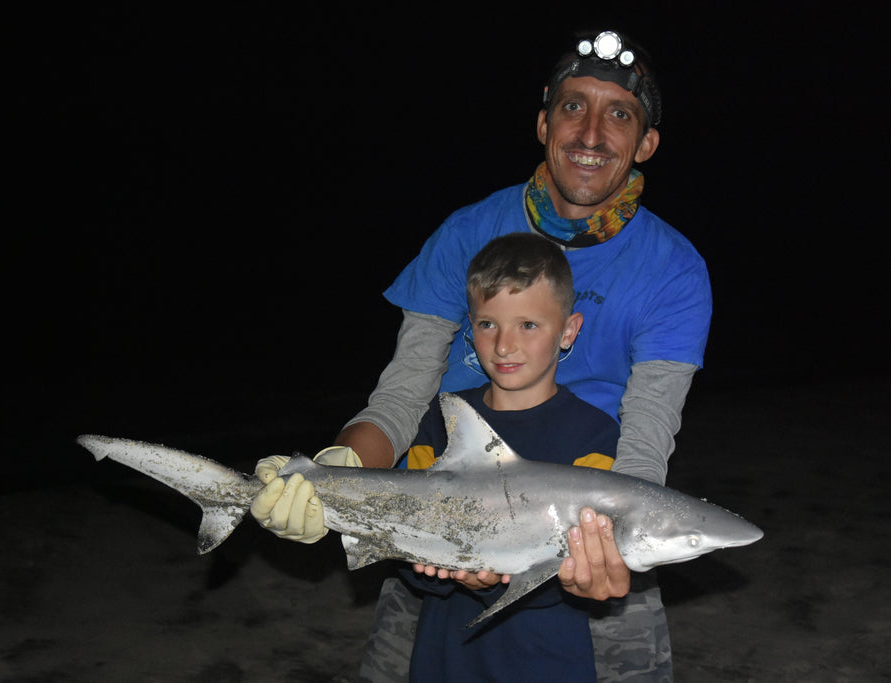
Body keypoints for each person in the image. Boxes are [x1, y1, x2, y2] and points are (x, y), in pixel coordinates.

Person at [252, 27, 711, 681]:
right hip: (443, 509)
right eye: (573, 106)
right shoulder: (466, 232)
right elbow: (406, 389)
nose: (590, 134)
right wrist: (339, 468)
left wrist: (608, 542)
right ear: (543, 120)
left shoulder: (675, 270)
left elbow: (648, 433)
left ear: (645, 144)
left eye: (619, 115)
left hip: (585, 522)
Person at [399, 232, 622, 681]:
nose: (503, 346)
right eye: (487, 324)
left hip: (545, 655)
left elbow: (581, 571)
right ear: (470, 325)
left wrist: (503, 579)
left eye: (528, 325)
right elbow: (409, 550)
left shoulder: (594, 435)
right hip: (446, 654)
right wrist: (443, 572)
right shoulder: (443, 419)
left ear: (569, 330)